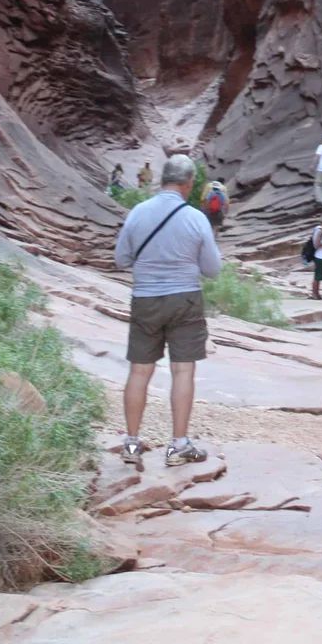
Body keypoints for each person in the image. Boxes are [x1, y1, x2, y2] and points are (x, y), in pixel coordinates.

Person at [113, 154, 223, 466]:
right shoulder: (196, 218)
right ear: (189, 184)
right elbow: (213, 270)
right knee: (183, 370)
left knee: (139, 371)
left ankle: (131, 446)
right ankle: (178, 446)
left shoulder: (138, 212)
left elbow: (121, 259)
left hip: (146, 297)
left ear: (162, 180)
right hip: (185, 299)